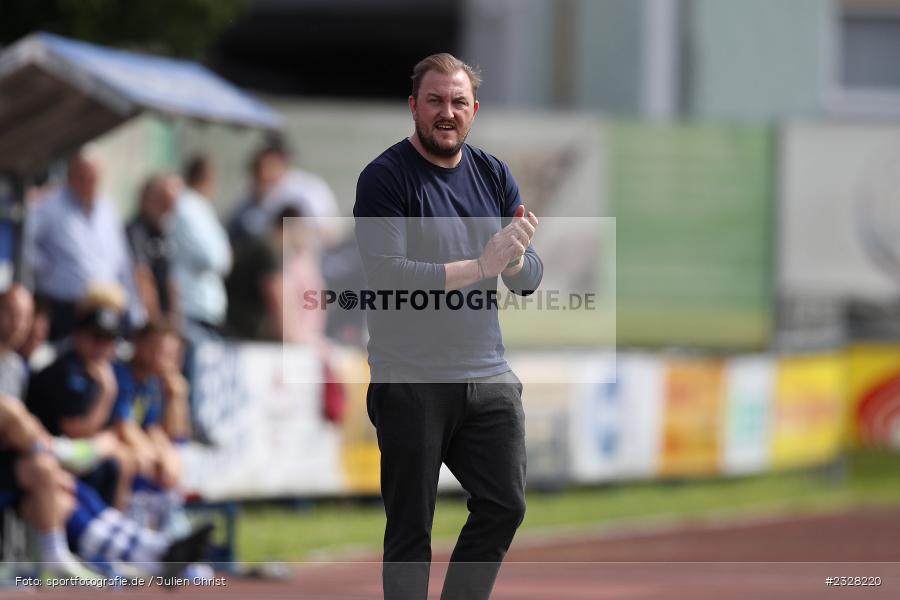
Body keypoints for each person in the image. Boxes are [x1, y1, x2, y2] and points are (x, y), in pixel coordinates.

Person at [353, 53, 542, 600]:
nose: (446, 112)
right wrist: (480, 266)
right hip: (411, 380)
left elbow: (526, 278)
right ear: (413, 106)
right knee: (411, 529)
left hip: (488, 376)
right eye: (435, 100)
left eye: (458, 102)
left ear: (474, 110)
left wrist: (510, 261)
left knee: (505, 504)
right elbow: (388, 276)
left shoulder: (492, 173)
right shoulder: (385, 178)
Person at [26, 286, 135, 509]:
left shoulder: (112, 371)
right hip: (48, 456)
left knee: (121, 461)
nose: (102, 346)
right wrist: (107, 394)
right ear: (78, 335)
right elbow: (74, 429)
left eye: (109, 339)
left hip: (82, 457)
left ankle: (119, 531)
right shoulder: (63, 370)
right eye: (96, 337)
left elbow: (117, 429)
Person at [25, 151, 144, 340]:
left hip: (106, 310)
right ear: (71, 175)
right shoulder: (49, 205)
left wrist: (135, 313)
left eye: (93, 178)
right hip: (64, 308)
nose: (88, 183)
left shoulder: (108, 210)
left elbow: (122, 263)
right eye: (83, 177)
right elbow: (25, 243)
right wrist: (46, 270)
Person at [228, 137, 338, 246]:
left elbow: (329, 233)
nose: (265, 169)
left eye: (270, 162)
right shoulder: (252, 196)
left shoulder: (308, 190)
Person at [169, 155, 231, 341]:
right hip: (192, 306)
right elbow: (214, 258)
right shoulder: (187, 207)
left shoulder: (201, 206)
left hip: (205, 309)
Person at [127, 174, 181, 324]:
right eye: (162, 201)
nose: (166, 209)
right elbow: (142, 276)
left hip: (165, 322)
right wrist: (156, 324)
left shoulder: (165, 232)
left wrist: (174, 319)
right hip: (144, 321)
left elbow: (172, 280)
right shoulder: (136, 231)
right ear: (146, 199)